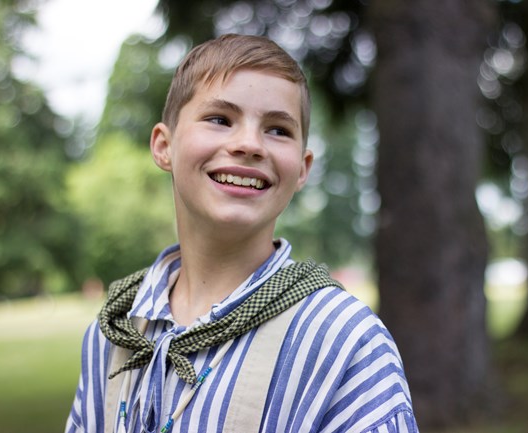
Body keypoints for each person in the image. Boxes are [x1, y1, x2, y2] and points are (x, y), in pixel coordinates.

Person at [65, 33, 419, 433]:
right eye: (220, 119)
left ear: (302, 168)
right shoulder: (113, 333)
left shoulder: (344, 341)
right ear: (164, 146)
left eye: (278, 129)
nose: (249, 144)